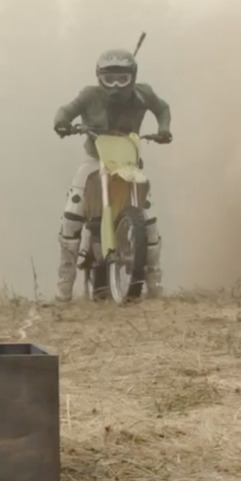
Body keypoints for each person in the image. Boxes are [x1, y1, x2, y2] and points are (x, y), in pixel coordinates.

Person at [51, 49, 172, 302]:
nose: (115, 86)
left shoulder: (143, 94)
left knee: (149, 219)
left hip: (129, 160)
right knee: (73, 211)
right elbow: (66, 110)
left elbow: (162, 108)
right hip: (94, 158)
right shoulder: (89, 95)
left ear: (133, 77)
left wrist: (163, 130)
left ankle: (155, 284)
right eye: (109, 79)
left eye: (122, 78)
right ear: (98, 78)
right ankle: (64, 286)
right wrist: (62, 123)